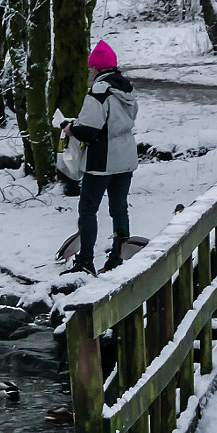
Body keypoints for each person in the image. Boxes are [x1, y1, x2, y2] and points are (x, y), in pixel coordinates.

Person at [66, 39, 139, 274]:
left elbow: (89, 130)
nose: (90, 72)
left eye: (91, 68)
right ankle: (118, 257)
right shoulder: (127, 88)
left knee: (88, 209)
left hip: (102, 160)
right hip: (126, 157)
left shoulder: (98, 91)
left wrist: (71, 129)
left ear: (96, 68)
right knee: (119, 208)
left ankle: (85, 260)